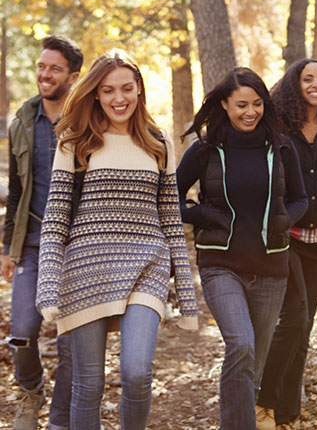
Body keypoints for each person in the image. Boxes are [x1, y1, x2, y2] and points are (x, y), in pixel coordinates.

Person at [35, 48, 199, 430]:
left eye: (126, 88)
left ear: (139, 88)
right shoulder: (75, 143)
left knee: (137, 372)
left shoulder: (159, 143)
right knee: (88, 384)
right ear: (96, 93)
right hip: (86, 270)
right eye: (108, 90)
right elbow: (55, 220)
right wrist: (48, 285)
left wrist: (187, 297)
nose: (118, 98)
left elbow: (170, 220)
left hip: (147, 267)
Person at [176, 66, 308, 429]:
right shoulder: (205, 150)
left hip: (271, 267)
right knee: (242, 346)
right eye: (241, 105)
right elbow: (169, 198)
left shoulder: (281, 147)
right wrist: (202, 214)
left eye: (257, 104)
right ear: (224, 104)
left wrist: (284, 219)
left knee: (253, 364)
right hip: (221, 265)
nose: (251, 112)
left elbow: (300, 199)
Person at [256, 59, 317, 429]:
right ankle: (262, 402)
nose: (316, 85)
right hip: (288, 236)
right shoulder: (279, 126)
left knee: (304, 327)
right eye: (307, 79)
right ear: (294, 85)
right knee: (294, 318)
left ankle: (287, 414)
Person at [2, 35, 82, 430]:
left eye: (54, 69)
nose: (44, 74)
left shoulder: (87, 120)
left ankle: (62, 419)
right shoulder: (22, 122)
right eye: (41, 66)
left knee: (71, 341)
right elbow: (17, 190)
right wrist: (7, 248)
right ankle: (32, 391)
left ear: (73, 77)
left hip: (78, 245)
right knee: (22, 331)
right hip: (33, 243)